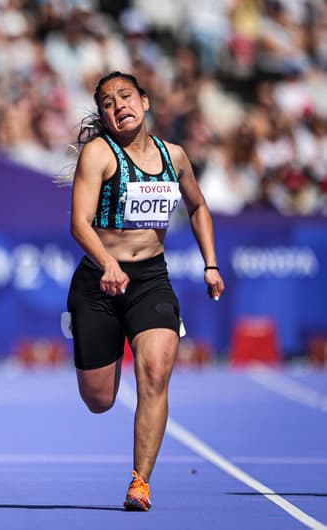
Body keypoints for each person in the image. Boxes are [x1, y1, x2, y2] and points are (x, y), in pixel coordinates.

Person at [65, 71, 224, 510]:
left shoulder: (174, 157)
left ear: (146, 101)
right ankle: (86, 333)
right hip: (98, 281)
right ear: (103, 115)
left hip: (150, 280)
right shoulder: (99, 154)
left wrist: (211, 263)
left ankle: (140, 482)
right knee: (100, 400)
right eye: (109, 103)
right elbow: (79, 223)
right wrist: (109, 262)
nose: (120, 106)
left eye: (126, 96)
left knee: (154, 372)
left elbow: (198, 206)